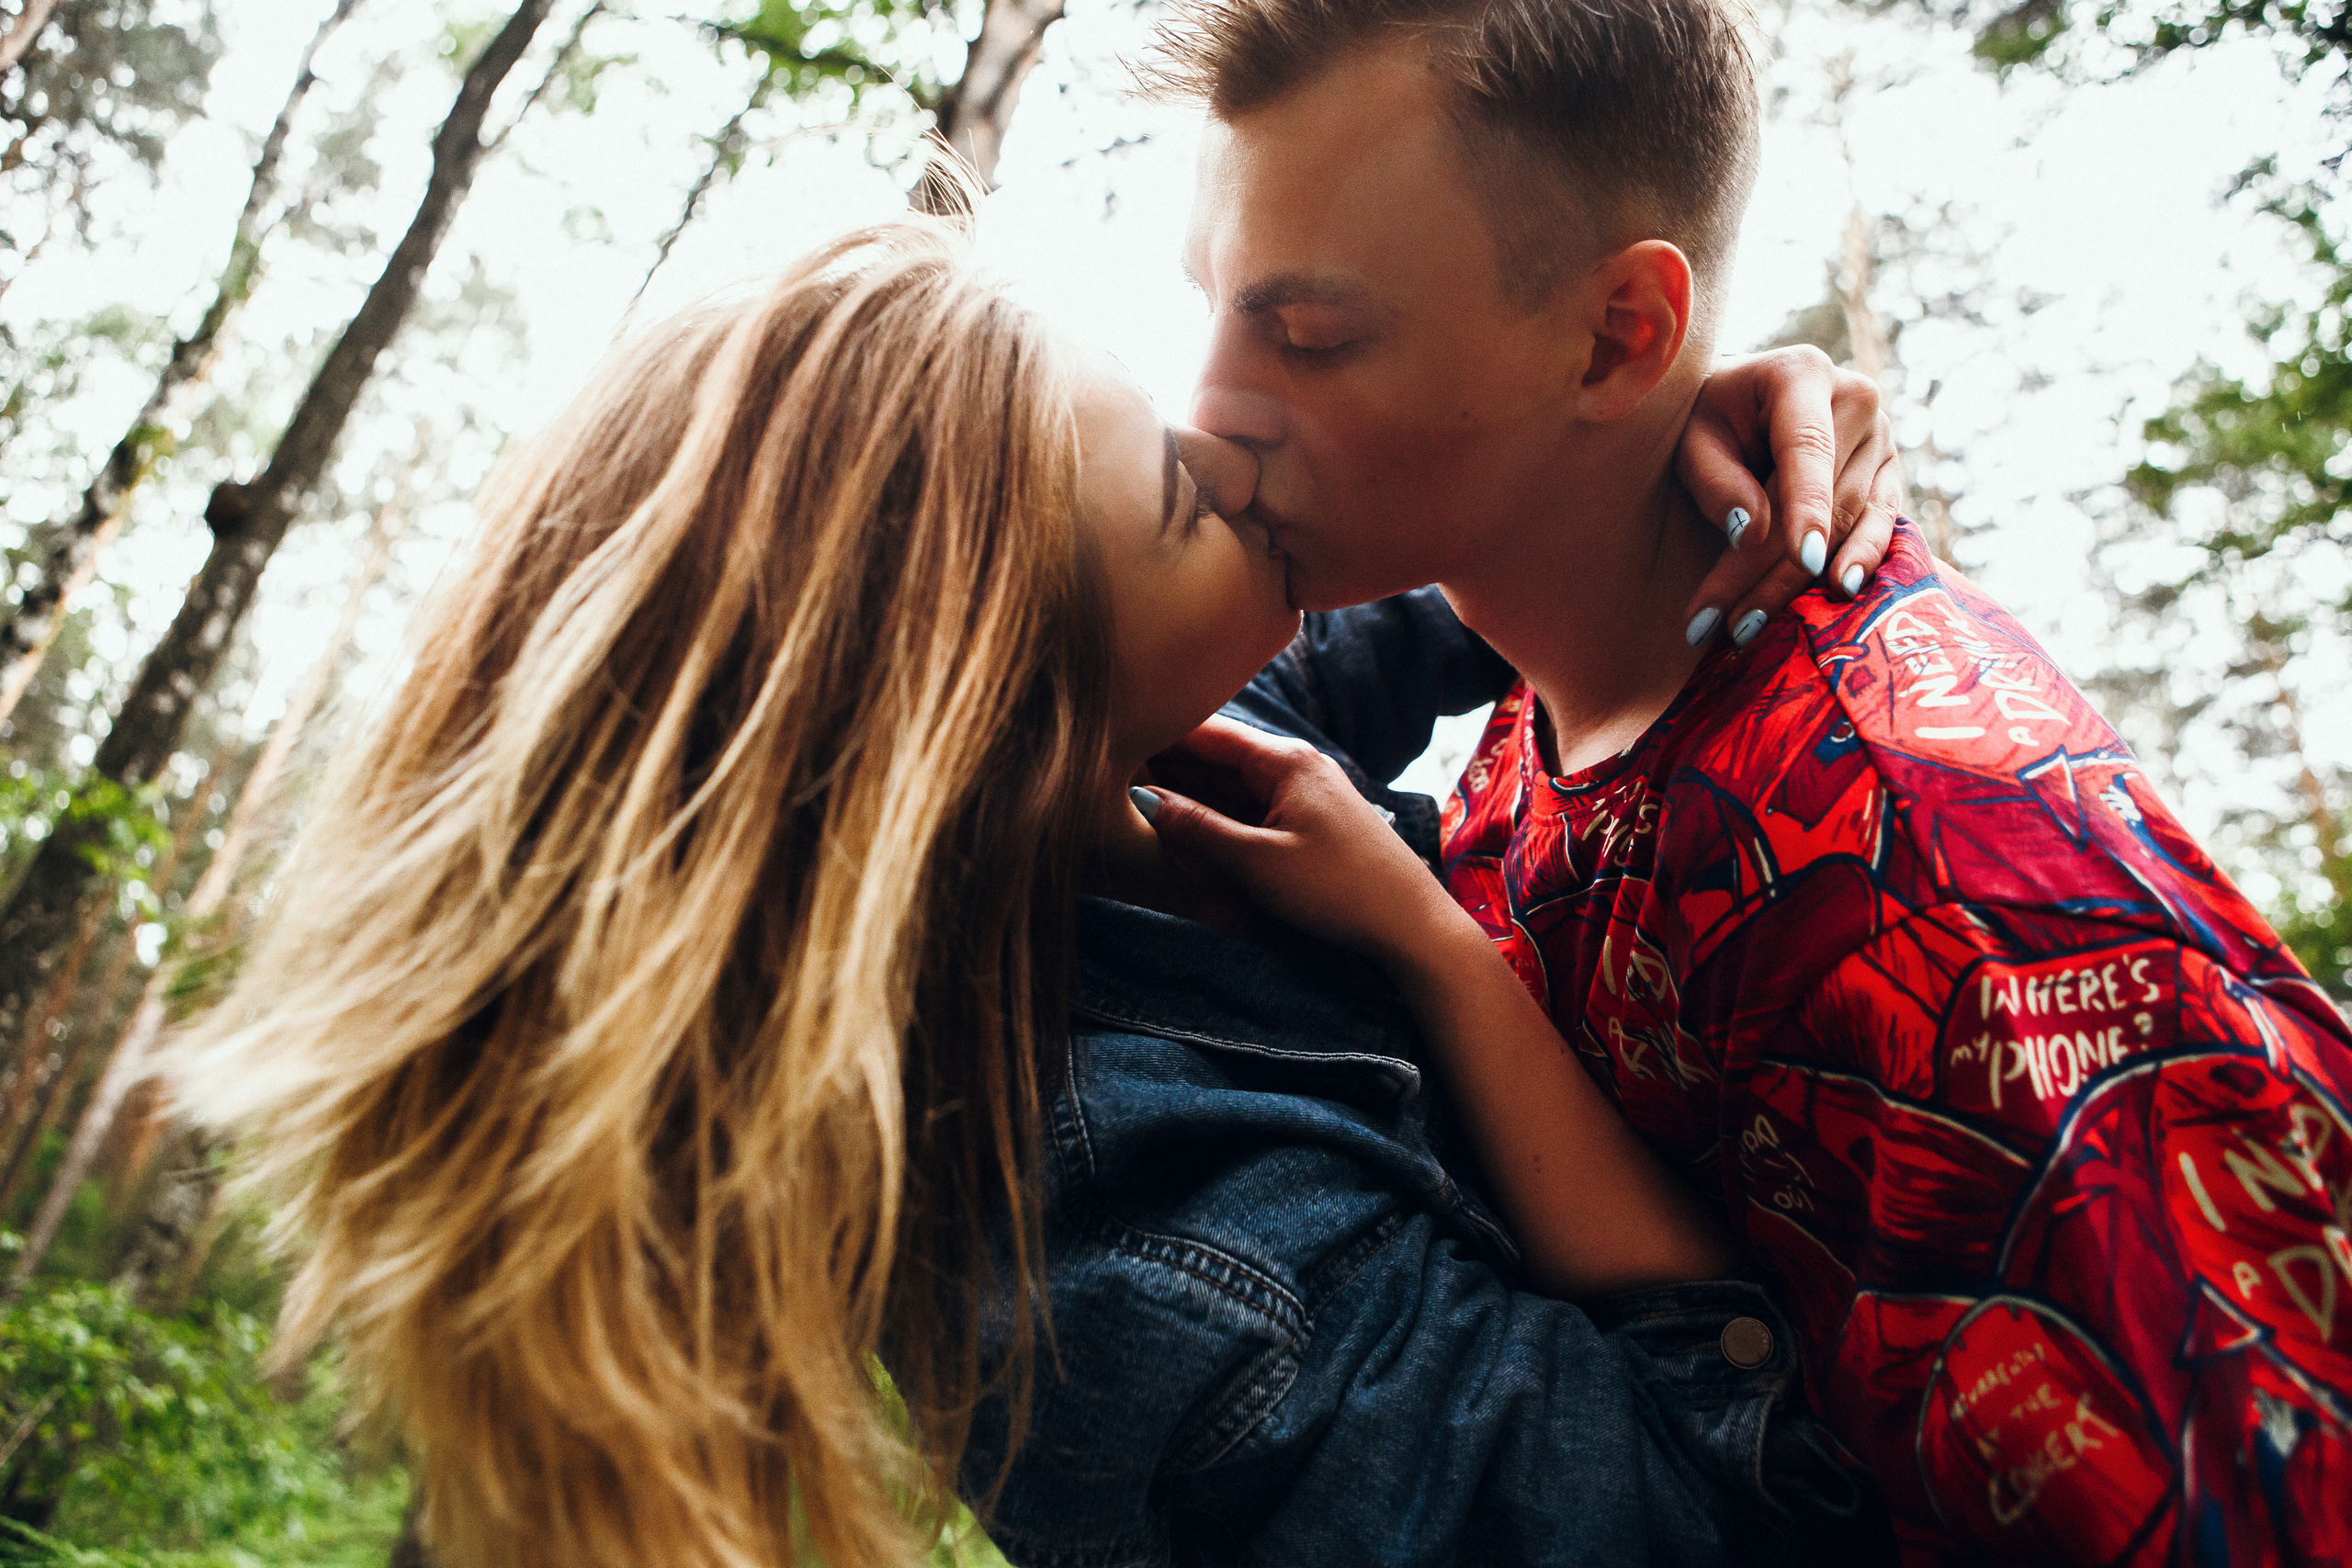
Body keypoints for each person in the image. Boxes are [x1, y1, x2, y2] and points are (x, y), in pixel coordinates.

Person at [161, 222, 1900, 1568]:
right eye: (1175, 499)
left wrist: (1673, 428)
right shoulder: (1145, 1283)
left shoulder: (1130, 769)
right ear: (991, 725)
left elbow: (1450, 573)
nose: (1231, 453)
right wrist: (1437, 952)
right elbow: (1752, 1503)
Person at [1143, 0, 2352, 1561]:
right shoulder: (1550, 717)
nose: (1212, 405)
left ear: (1617, 337)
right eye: (1212, 305)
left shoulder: (1927, 842)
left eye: (1309, 336)